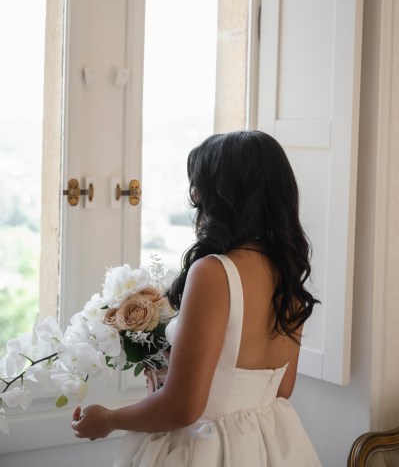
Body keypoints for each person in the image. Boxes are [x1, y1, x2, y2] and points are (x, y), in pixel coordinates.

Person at [71, 129, 322, 466]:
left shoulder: (214, 272)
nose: (194, 195)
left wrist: (107, 420)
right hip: (268, 442)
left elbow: (184, 407)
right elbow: (281, 387)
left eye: (198, 185)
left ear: (222, 194)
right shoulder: (287, 272)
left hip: (207, 448)